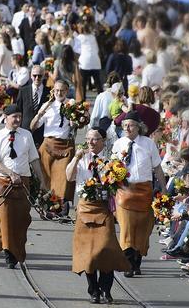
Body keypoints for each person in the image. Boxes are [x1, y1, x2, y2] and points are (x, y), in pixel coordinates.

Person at [66, 127, 131, 303]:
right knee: (88, 254)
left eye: (94, 139)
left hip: (103, 209)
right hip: (85, 208)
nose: (90, 143)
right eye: (88, 139)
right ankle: (93, 290)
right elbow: (69, 177)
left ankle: (106, 289)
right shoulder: (81, 158)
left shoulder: (111, 160)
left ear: (103, 140)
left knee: (106, 250)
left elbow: (123, 184)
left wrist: (116, 177)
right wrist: (76, 157)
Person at [0, 104, 43, 268]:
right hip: (3, 184)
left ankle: (16, 249)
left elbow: (34, 159)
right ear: (5, 117)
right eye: (14, 117)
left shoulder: (26, 136)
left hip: (23, 184)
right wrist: (10, 173)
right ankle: (8, 252)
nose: (17, 119)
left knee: (22, 219)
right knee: (5, 219)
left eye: (19, 116)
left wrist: (43, 182)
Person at [111, 110, 167, 277]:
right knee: (127, 228)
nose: (127, 128)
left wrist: (164, 189)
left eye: (131, 125)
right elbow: (111, 168)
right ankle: (128, 263)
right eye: (125, 125)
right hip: (124, 191)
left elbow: (157, 167)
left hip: (144, 191)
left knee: (143, 229)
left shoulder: (148, 144)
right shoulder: (118, 144)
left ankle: (136, 261)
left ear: (139, 127)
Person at [30, 80, 75, 211]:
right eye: (56, 90)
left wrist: (74, 116)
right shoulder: (47, 106)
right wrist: (39, 115)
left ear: (66, 91)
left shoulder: (72, 104)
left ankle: (60, 207)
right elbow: (32, 127)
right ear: (53, 91)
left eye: (62, 90)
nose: (59, 93)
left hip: (65, 145)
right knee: (45, 178)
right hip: (48, 144)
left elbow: (76, 125)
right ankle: (47, 206)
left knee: (62, 178)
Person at [15, 65, 50, 146]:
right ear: (31, 76)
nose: (37, 78)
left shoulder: (49, 92)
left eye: (40, 76)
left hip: (42, 132)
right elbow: (18, 110)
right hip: (25, 130)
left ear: (44, 76)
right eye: (35, 75)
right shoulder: (23, 91)